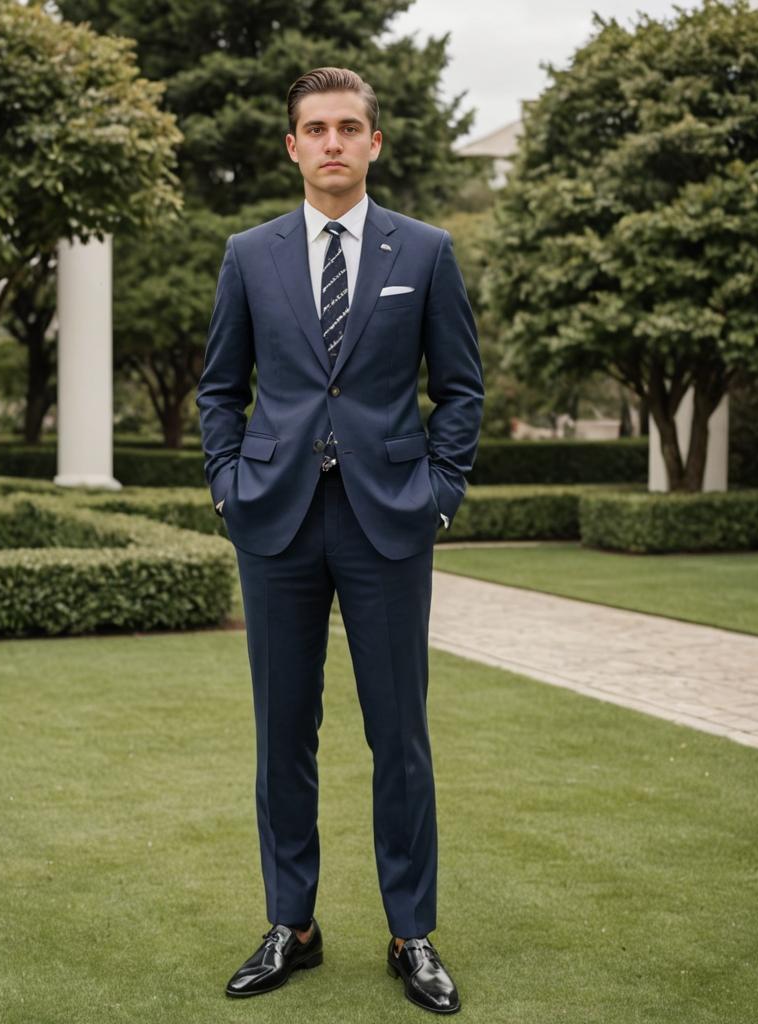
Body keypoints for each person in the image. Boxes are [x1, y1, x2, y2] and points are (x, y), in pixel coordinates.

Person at [196, 66, 484, 1015]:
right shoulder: (249, 253)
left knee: (398, 733)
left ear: (373, 143)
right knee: (284, 733)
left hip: (389, 520)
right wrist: (230, 488)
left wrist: (438, 495)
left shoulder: (428, 251)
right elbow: (219, 389)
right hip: (273, 519)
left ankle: (413, 934)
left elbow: (462, 388)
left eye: (347, 126)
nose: (330, 141)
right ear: (292, 146)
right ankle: (294, 925)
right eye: (314, 128)